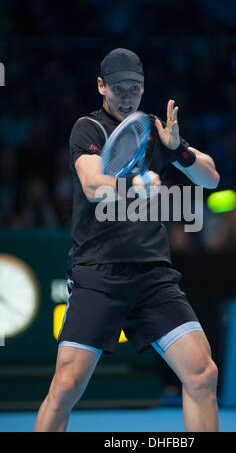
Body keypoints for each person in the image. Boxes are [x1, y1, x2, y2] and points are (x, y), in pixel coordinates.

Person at [34, 48, 220, 432]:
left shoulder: (156, 129)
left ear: (143, 88)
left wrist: (178, 151)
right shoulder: (88, 128)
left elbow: (212, 178)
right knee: (66, 386)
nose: (126, 95)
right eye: (118, 88)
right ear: (102, 87)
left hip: (153, 277)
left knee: (202, 374)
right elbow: (92, 183)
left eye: (134, 88)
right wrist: (135, 185)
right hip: (98, 273)